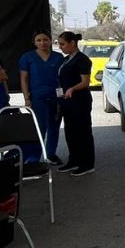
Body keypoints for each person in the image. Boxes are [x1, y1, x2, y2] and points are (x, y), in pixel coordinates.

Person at [19, 29, 65, 164]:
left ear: (51, 41)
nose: (42, 42)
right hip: (37, 97)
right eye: (39, 40)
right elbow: (24, 78)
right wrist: (26, 98)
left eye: (45, 39)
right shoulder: (27, 57)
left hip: (56, 96)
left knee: (54, 126)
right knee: (39, 127)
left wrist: (62, 97)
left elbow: (62, 78)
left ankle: (51, 154)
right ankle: (35, 157)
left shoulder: (58, 57)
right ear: (34, 42)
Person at [56, 31, 95, 176]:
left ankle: (87, 163)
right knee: (70, 132)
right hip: (67, 101)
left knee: (83, 132)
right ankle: (74, 160)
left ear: (72, 43)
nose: (60, 47)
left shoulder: (82, 60)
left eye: (62, 44)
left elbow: (85, 82)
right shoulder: (66, 59)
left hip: (80, 101)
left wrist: (72, 88)